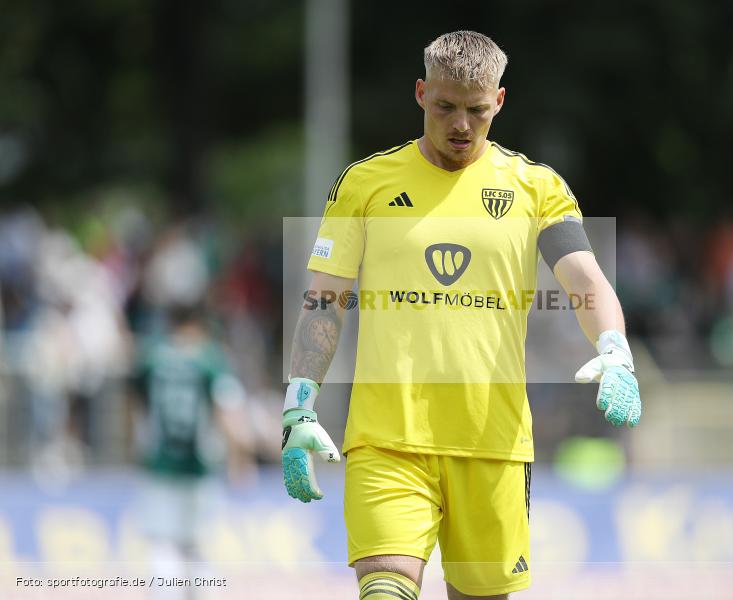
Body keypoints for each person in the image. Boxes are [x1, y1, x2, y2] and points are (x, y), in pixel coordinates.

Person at [282, 30, 641, 600]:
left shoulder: (536, 187)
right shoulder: (366, 184)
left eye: (476, 110)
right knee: (385, 590)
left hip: (493, 441)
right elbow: (325, 299)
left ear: (499, 101)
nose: (460, 125)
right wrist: (298, 405)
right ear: (421, 93)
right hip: (387, 437)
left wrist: (615, 350)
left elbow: (583, 278)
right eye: (445, 106)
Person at [132, 304, 253, 599]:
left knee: (162, 545)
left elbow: (135, 406)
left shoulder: (152, 359)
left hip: (159, 464)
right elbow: (228, 412)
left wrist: (137, 446)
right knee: (196, 547)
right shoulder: (210, 361)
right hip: (200, 467)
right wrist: (241, 456)